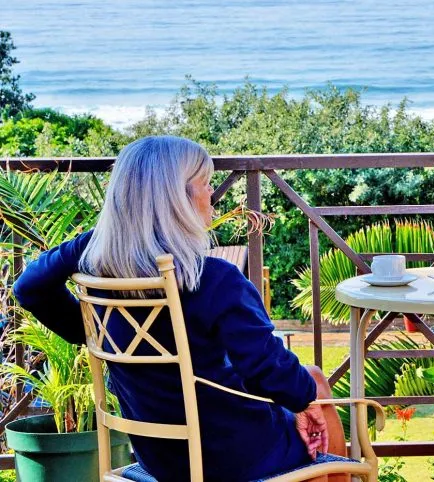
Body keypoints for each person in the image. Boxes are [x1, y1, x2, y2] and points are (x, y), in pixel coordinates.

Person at [14, 136, 349, 482]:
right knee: (313, 406)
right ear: (178, 198)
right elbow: (264, 367)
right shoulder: (216, 279)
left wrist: (88, 330)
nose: (213, 195)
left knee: (310, 383)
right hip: (232, 455)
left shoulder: (99, 265)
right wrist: (305, 403)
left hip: (160, 458)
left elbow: (29, 286)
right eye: (206, 183)